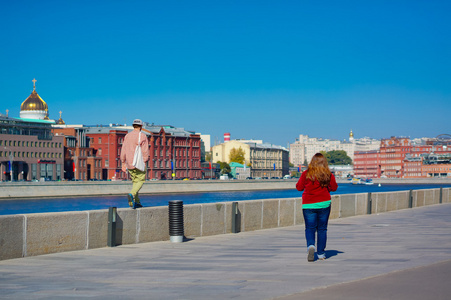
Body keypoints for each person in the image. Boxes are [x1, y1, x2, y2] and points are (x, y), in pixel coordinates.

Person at [296, 153, 338, 262]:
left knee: (310, 228)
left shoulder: (306, 174)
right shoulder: (328, 174)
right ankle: (321, 254)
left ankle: (311, 246)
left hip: (309, 204)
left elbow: (299, 187)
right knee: (322, 229)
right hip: (324, 204)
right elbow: (334, 188)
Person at [120, 119, 149, 208]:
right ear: (141, 126)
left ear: (133, 126)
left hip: (129, 163)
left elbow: (123, 150)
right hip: (139, 163)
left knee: (135, 182)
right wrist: (145, 160)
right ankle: (132, 194)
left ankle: (136, 202)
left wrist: (123, 162)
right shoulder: (143, 136)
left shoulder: (127, 136)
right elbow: (145, 151)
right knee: (140, 180)